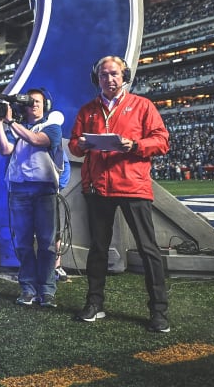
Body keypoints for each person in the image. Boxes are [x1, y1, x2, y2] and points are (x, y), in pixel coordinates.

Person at [68, 55, 171, 332]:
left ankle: (159, 311)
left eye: (114, 74)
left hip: (132, 185)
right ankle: (94, 303)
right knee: (98, 249)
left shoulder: (143, 106)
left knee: (149, 249)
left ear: (124, 76)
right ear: (96, 78)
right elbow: (75, 146)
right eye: (103, 75)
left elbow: (162, 141)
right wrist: (85, 145)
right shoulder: (88, 110)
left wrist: (134, 145)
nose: (109, 79)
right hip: (98, 187)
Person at [0, 89, 63, 308]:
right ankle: (28, 289)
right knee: (22, 243)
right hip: (19, 189)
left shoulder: (52, 126)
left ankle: (47, 290)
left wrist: (11, 123)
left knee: (47, 244)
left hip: (44, 191)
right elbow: (5, 150)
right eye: (30, 101)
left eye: (38, 101)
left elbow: (35, 140)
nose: (34, 104)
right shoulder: (18, 128)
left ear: (45, 105)